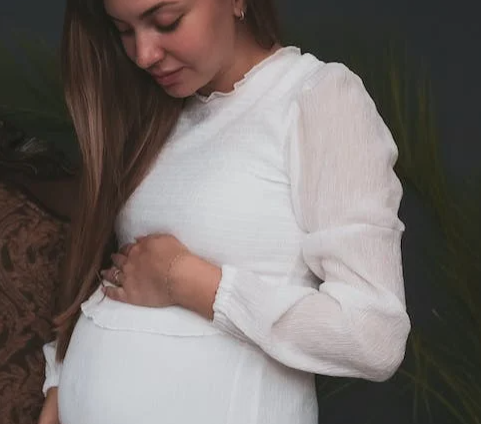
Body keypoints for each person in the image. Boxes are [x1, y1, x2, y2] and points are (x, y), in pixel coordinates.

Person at [38, 0, 411, 423]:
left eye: (167, 21)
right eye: (123, 31)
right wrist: (60, 383)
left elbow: (374, 336)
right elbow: (116, 275)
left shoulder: (316, 97)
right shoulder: (156, 112)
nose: (144, 54)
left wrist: (191, 282)